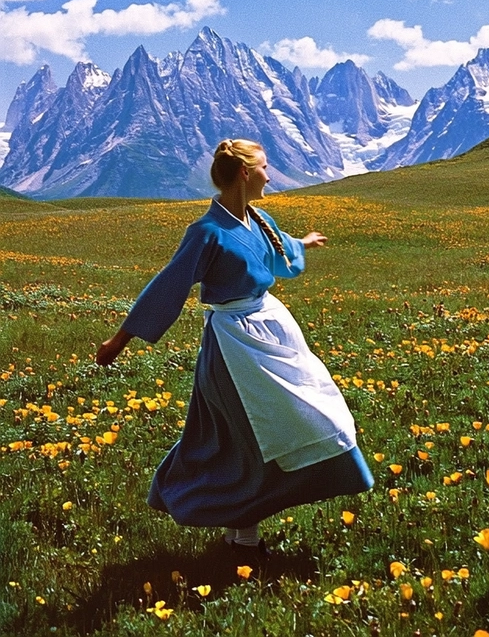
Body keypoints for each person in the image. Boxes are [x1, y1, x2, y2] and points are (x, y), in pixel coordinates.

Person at [96, 138, 373, 557]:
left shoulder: (258, 220)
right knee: (243, 436)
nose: (269, 174)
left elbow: (278, 253)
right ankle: (242, 535)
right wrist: (120, 339)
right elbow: (168, 286)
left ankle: (242, 526)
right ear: (245, 173)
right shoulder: (207, 232)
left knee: (300, 416)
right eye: (264, 167)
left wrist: (304, 242)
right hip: (232, 346)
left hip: (269, 332)